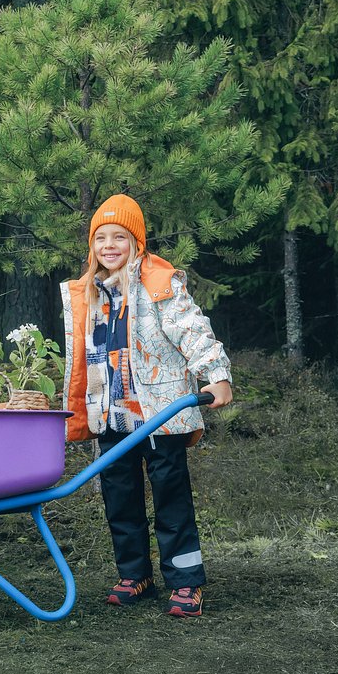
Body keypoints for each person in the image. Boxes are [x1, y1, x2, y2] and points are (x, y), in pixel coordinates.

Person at [60, 194, 233, 618]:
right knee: (119, 495)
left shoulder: (159, 282)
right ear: (92, 245)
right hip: (111, 410)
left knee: (170, 495)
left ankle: (186, 581)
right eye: (101, 238)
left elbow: (192, 328)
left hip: (159, 410)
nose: (109, 245)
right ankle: (135, 573)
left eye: (120, 236)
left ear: (137, 242)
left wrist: (217, 374)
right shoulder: (88, 292)